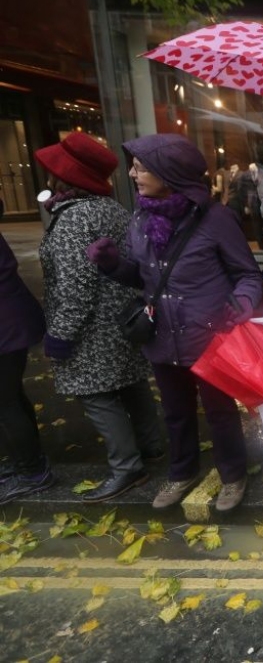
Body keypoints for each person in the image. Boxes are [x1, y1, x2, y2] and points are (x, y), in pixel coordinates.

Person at [87, 133, 263, 513]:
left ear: (169, 173)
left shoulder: (216, 219)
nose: (133, 173)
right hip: (163, 337)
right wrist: (114, 265)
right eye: (135, 166)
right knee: (176, 413)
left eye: (142, 167)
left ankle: (233, 476)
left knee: (219, 413)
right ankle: (182, 473)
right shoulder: (141, 217)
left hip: (210, 336)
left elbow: (248, 274)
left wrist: (244, 302)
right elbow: (143, 277)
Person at [34, 133, 163, 503]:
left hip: (92, 330)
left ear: (63, 176)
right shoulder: (112, 208)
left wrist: (60, 336)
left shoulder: (74, 218)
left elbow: (75, 287)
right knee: (131, 384)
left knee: (98, 396)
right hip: (120, 321)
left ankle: (127, 468)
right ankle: (152, 447)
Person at [0, 230, 51, 504]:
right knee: (11, 397)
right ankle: (25, 461)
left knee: (5, 403)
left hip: (5, 327)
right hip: (11, 323)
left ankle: (32, 471)